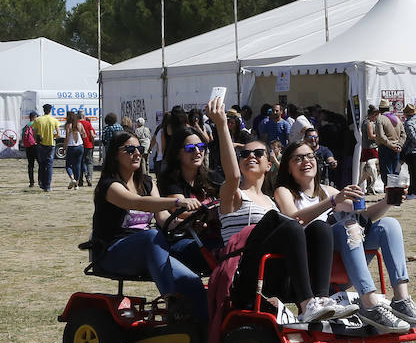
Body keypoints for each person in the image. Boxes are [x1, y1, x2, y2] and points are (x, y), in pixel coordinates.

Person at [205, 98, 354, 324]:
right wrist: (222, 125)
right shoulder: (233, 195)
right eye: (244, 155)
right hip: (245, 273)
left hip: (277, 274)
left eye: (258, 154)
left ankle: (321, 299)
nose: (251, 157)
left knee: (320, 228)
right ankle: (307, 305)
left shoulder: (271, 199)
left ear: (269, 164)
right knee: (289, 225)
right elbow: (233, 176)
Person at [274, 139, 416, 332]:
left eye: (310, 156)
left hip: (345, 260)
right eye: (298, 158)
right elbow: (293, 218)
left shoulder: (327, 190)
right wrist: (332, 201)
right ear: (288, 167)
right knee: (348, 225)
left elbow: (364, 217)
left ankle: (401, 299)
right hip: (313, 267)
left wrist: (387, 201)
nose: (306, 161)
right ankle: (369, 303)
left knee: (389, 225)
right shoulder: (284, 191)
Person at [91, 130, 208, 323]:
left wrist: (189, 225)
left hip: (149, 249)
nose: (137, 153)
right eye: (130, 149)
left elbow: (163, 219)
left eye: (140, 148)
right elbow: (136, 202)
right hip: (112, 253)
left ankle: (203, 332)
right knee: (151, 236)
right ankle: (172, 303)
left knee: (192, 281)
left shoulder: (146, 182)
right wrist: (177, 203)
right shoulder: (108, 186)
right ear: (114, 154)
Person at [157, 127, 217, 272]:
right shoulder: (169, 180)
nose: (197, 152)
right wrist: (212, 214)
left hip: (210, 237)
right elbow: (180, 211)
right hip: (182, 240)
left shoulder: (211, 177)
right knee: (223, 252)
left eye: (201, 146)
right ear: (178, 153)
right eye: (190, 148)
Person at [374, 99, 406, 179]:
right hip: (397, 148)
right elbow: (403, 134)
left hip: (385, 147)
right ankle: (395, 189)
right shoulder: (397, 118)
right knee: (395, 171)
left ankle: (389, 190)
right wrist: (399, 145)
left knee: (386, 172)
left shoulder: (380, 119)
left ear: (380, 109)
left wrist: (391, 145)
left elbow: (381, 136)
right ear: (389, 108)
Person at [32, 104, 60, 192]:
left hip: (40, 144)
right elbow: (58, 135)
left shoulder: (37, 120)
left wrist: (37, 139)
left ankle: (41, 182)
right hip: (51, 144)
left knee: (41, 164)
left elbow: (34, 134)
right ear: (50, 110)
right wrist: (52, 136)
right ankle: (47, 186)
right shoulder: (54, 120)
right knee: (49, 165)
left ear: (43, 110)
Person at [358, 105, 380, 195]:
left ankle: (369, 187)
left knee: (367, 170)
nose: (377, 117)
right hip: (371, 148)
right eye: (376, 115)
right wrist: (380, 136)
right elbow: (371, 136)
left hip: (365, 148)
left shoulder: (364, 122)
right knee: (376, 168)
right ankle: (370, 186)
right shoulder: (369, 123)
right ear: (373, 114)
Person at [64, 110, 85, 189]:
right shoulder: (79, 124)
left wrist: (64, 147)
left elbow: (67, 138)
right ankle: (76, 183)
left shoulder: (68, 125)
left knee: (68, 165)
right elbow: (84, 135)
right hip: (80, 146)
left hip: (71, 146)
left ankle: (72, 179)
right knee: (78, 165)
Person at [21, 111, 39, 188]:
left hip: (28, 147)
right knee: (40, 164)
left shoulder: (26, 126)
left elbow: (23, 137)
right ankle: (40, 181)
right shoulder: (36, 125)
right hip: (36, 146)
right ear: (34, 117)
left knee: (30, 165)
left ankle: (31, 182)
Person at [79, 112, 97, 186]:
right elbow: (92, 135)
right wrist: (93, 143)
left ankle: (80, 180)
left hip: (79, 145)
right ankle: (89, 177)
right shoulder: (88, 124)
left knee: (80, 162)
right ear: (83, 116)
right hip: (88, 144)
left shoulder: (75, 123)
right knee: (89, 162)